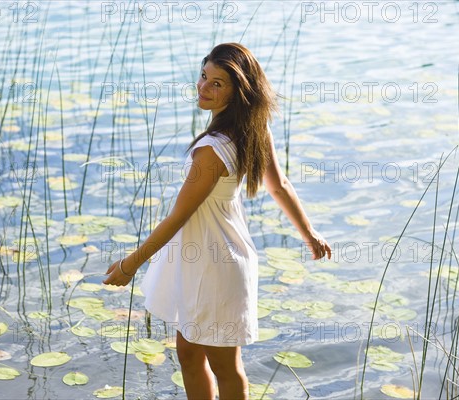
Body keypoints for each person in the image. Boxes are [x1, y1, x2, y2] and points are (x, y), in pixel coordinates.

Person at [104, 42, 332, 400]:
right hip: (213, 256)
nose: (203, 87)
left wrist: (131, 264)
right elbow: (279, 186)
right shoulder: (254, 128)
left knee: (225, 367)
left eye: (217, 83)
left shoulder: (212, 149)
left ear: (239, 90)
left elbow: (180, 216)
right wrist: (309, 234)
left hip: (214, 263)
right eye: (203, 76)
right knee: (190, 352)